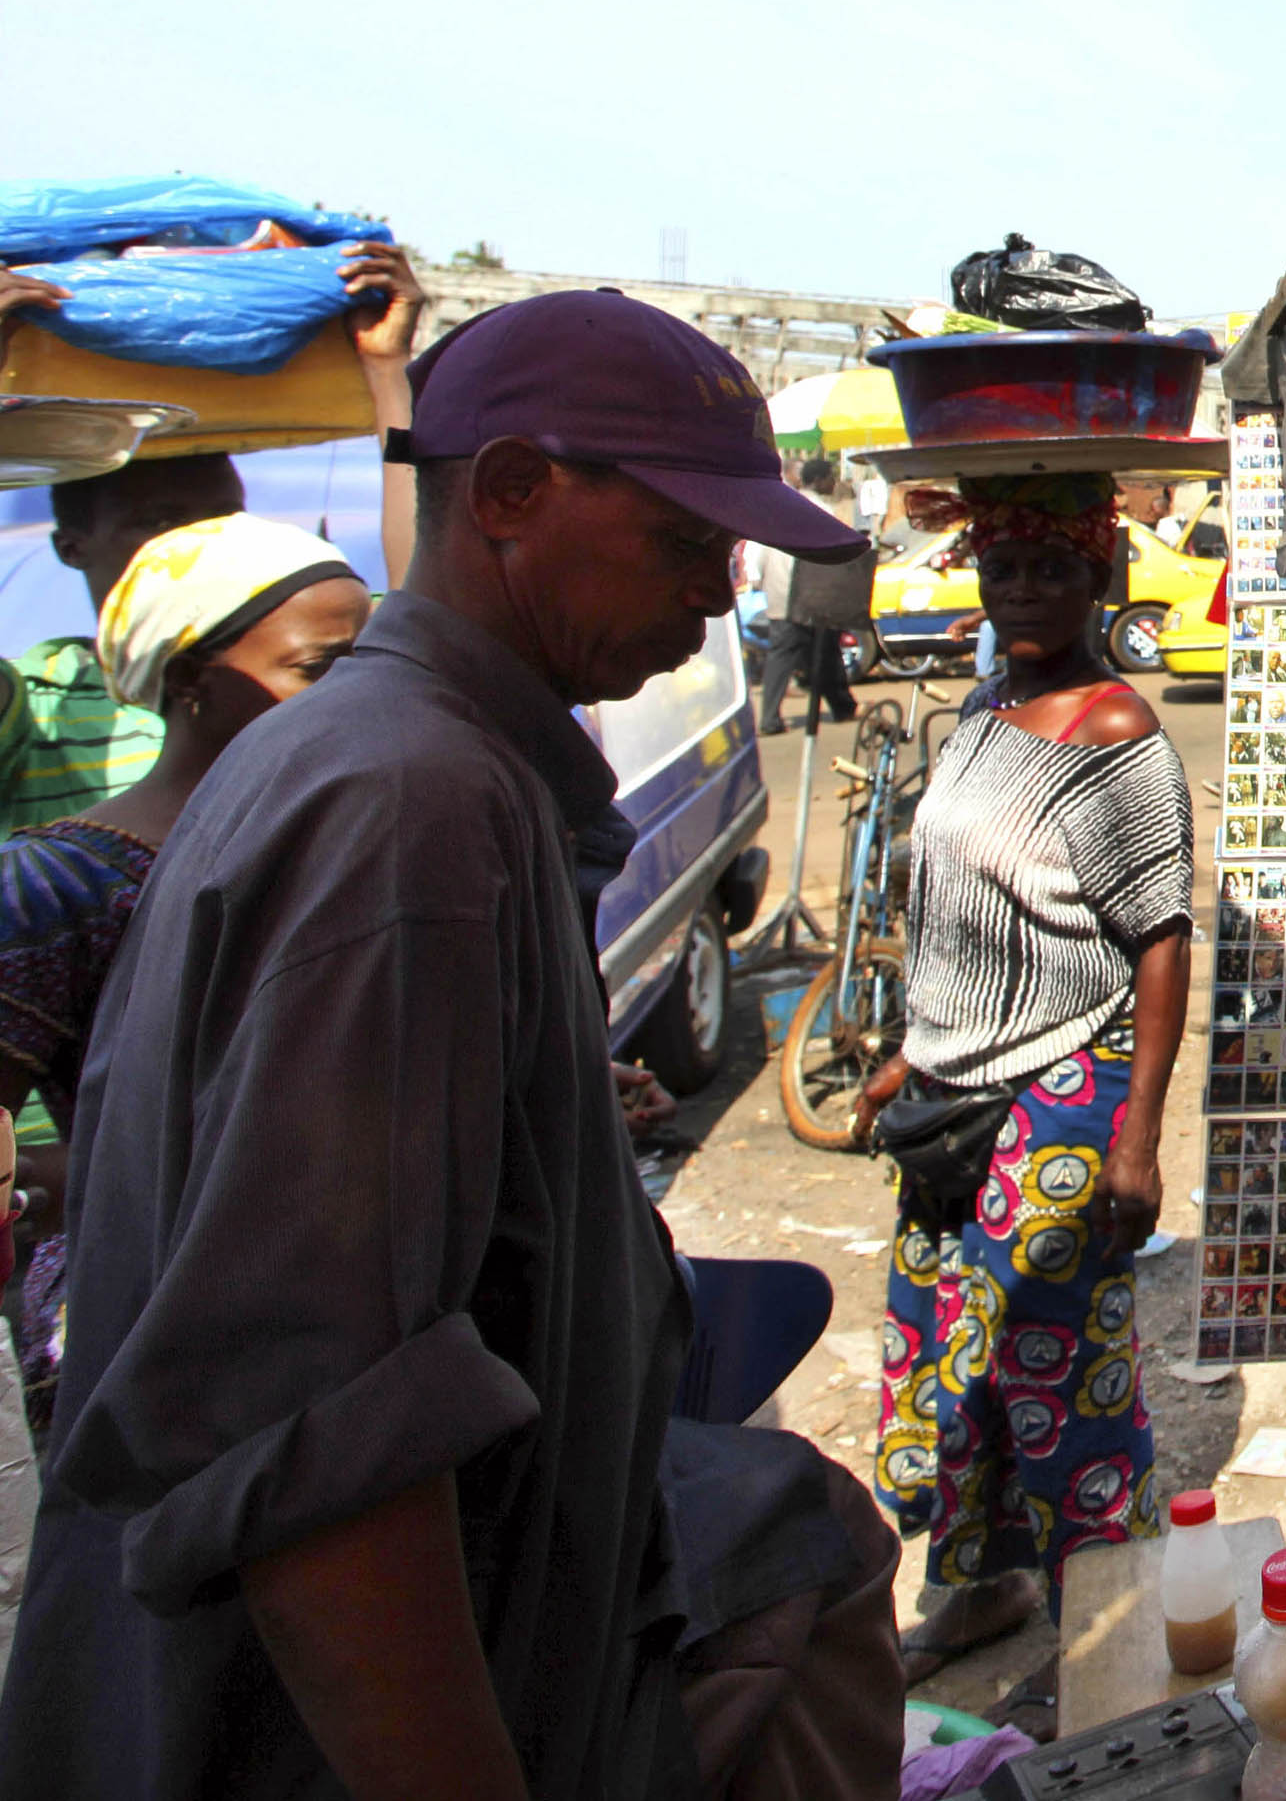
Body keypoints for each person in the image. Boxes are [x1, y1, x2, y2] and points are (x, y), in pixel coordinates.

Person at [0, 290, 895, 1801]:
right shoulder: (407, 806)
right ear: (509, 494)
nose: (718, 593)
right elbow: (317, 1447)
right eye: (685, 542)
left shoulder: (407, 763)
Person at [867, 472, 1194, 1687]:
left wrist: (1139, 1137)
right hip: (953, 1083)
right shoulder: (986, 707)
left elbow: (1160, 935)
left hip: (1063, 1084)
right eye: (1003, 568)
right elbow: (958, 900)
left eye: (1051, 570)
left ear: (1098, 575)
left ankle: (1108, 1620)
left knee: (1048, 1358)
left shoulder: (1117, 735)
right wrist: (915, 1041)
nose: (1023, 591)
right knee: (947, 1352)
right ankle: (981, 1582)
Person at [0, 514, 369, 1438]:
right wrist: (86, 1175)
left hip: (346, 1304)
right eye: (318, 671)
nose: (357, 701)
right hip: (146, 1334)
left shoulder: (345, 843)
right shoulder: (59, 884)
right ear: (187, 682)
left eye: (374, 668)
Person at [3, 243, 424, 831]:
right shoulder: (39, 710)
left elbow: (421, 597)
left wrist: (386, 369)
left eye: (225, 514)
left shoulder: (326, 657)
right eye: (160, 521)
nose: (210, 541)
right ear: (70, 547)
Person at [757, 462, 871, 733]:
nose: (834, 483)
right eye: (830, 477)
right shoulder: (824, 510)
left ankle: (771, 718)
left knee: (785, 656)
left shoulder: (780, 507)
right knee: (824, 650)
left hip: (779, 593)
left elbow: (761, 554)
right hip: (809, 594)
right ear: (819, 480)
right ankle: (843, 707)